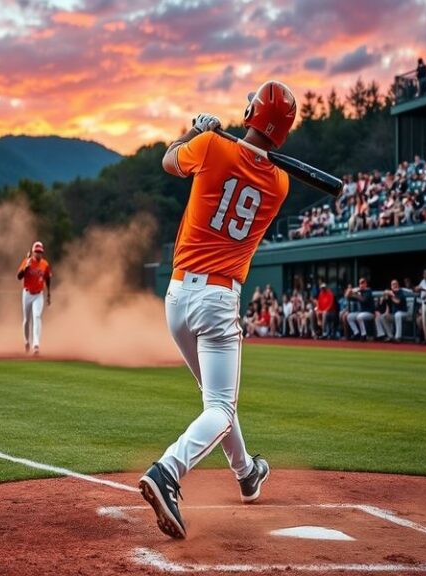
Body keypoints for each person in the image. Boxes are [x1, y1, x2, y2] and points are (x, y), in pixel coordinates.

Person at [139, 80, 296, 539]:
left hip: (177, 297)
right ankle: (168, 470)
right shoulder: (280, 182)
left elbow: (169, 160)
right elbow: (250, 164)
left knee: (217, 402)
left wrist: (192, 133)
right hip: (218, 299)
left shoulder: (209, 146)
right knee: (221, 406)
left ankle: (247, 474)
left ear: (249, 114)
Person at [17, 241, 52, 355]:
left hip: (38, 294)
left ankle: (36, 345)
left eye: (40, 252)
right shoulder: (27, 262)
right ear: (33, 252)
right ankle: (27, 341)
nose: (39, 254)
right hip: (27, 294)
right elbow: (19, 276)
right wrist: (25, 268)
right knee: (27, 320)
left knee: (37, 317)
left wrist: (48, 294)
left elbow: (48, 278)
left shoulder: (45, 264)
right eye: (37, 252)